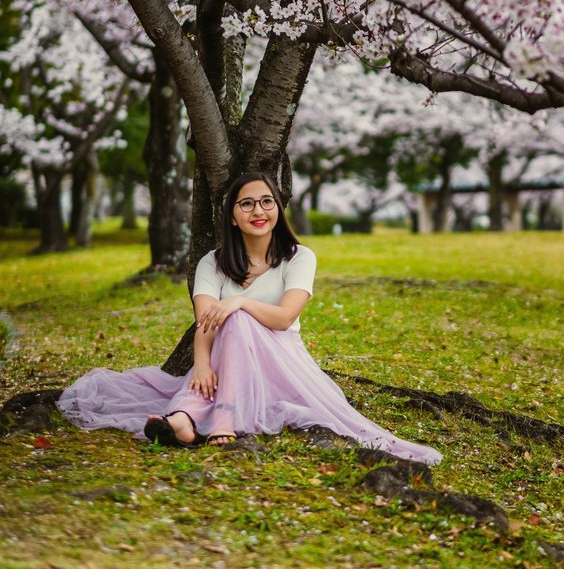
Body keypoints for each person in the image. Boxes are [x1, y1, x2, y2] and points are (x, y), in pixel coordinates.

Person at [56, 171, 441, 465]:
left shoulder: (299, 257)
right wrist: (202, 364)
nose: (258, 211)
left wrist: (239, 302)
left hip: (281, 359)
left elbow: (284, 318)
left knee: (238, 319)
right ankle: (183, 420)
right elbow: (206, 322)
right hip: (222, 356)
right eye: (247, 204)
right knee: (230, 329)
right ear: (232, 217)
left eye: (266, 201)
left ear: (278, 209)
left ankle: (217, 416)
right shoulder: (212, 263)